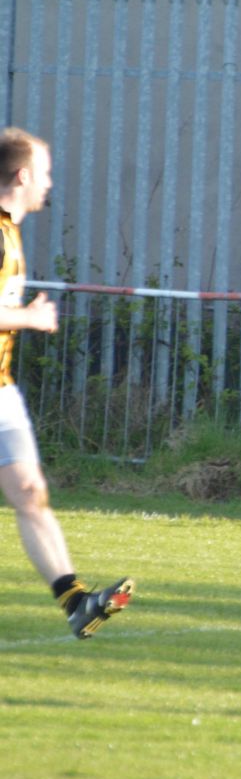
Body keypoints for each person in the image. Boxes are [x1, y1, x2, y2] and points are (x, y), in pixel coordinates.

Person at [0, 127, 134, 638]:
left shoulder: (11, 230)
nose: (50, 183)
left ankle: (76, 601)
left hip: (2, 388)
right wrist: (30, 318)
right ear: (23, 175)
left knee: (30, 491)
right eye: (46, 172)